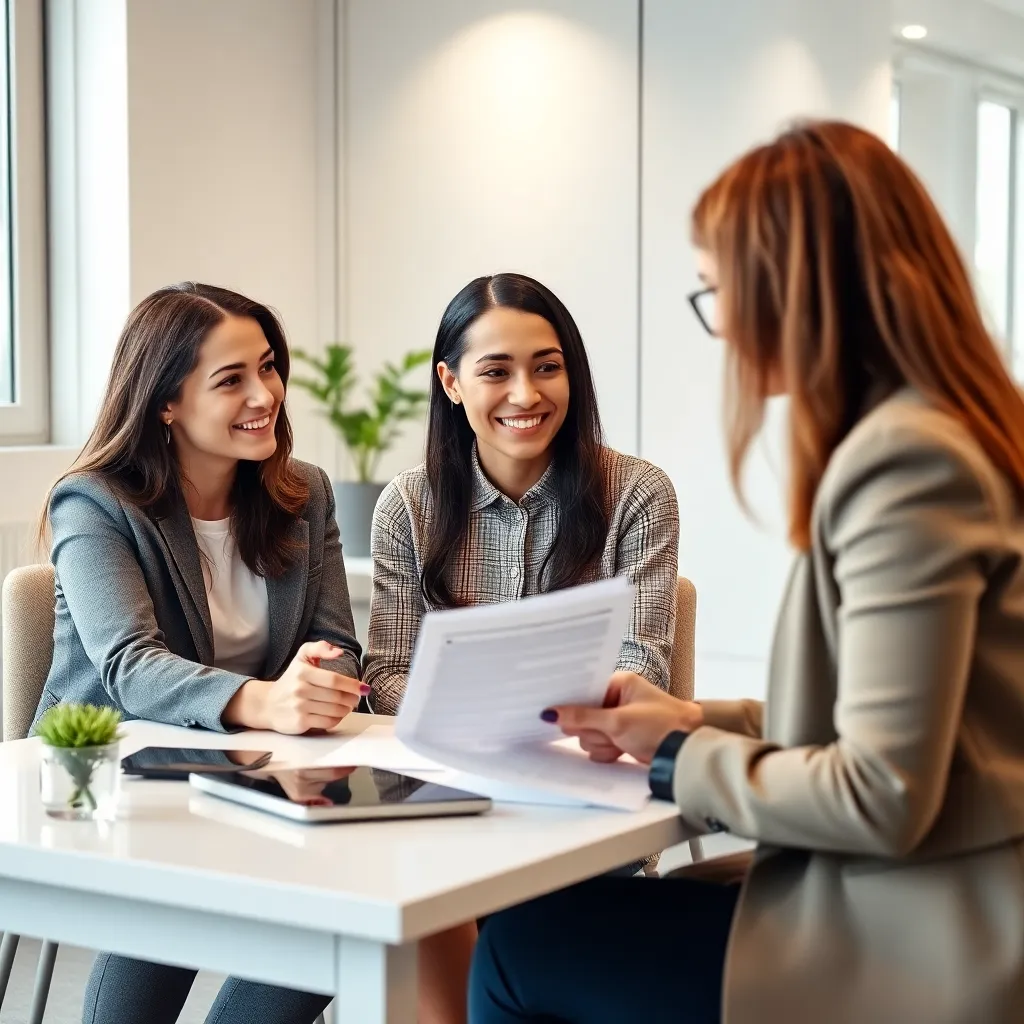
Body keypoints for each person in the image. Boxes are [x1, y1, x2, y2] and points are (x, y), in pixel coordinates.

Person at [469, 121, 1024, 1024]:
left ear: (795, 289)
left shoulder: (904, 464)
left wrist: (676, 756)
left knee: (517, 948)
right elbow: (894, 722)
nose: (718, 322)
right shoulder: (958, 428)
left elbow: (880, 793)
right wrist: (688, 717)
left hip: (929, 933)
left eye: (718, 289)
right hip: (943, 885)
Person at [31, 283, 457, 1024]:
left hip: (252, 770)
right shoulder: (94, 502)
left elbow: (338, 646)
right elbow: (129, 664)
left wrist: (322, 683)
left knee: (344, 901)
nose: (265, 393)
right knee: (173, 894)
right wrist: (265, 700)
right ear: (166, 402)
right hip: (110, 780)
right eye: (231, 380)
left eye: (268, 366)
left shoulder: (305, 494)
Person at [363, 272, 680, 713]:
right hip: (452, 766)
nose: (526, 395)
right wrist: (483, 719)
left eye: (547, 368)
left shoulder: (637, 492)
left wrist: (534, 719)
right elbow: (387, 675)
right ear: (451, 383)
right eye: (496, 371)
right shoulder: (407, 505)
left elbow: (642, 664)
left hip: (585, 758)